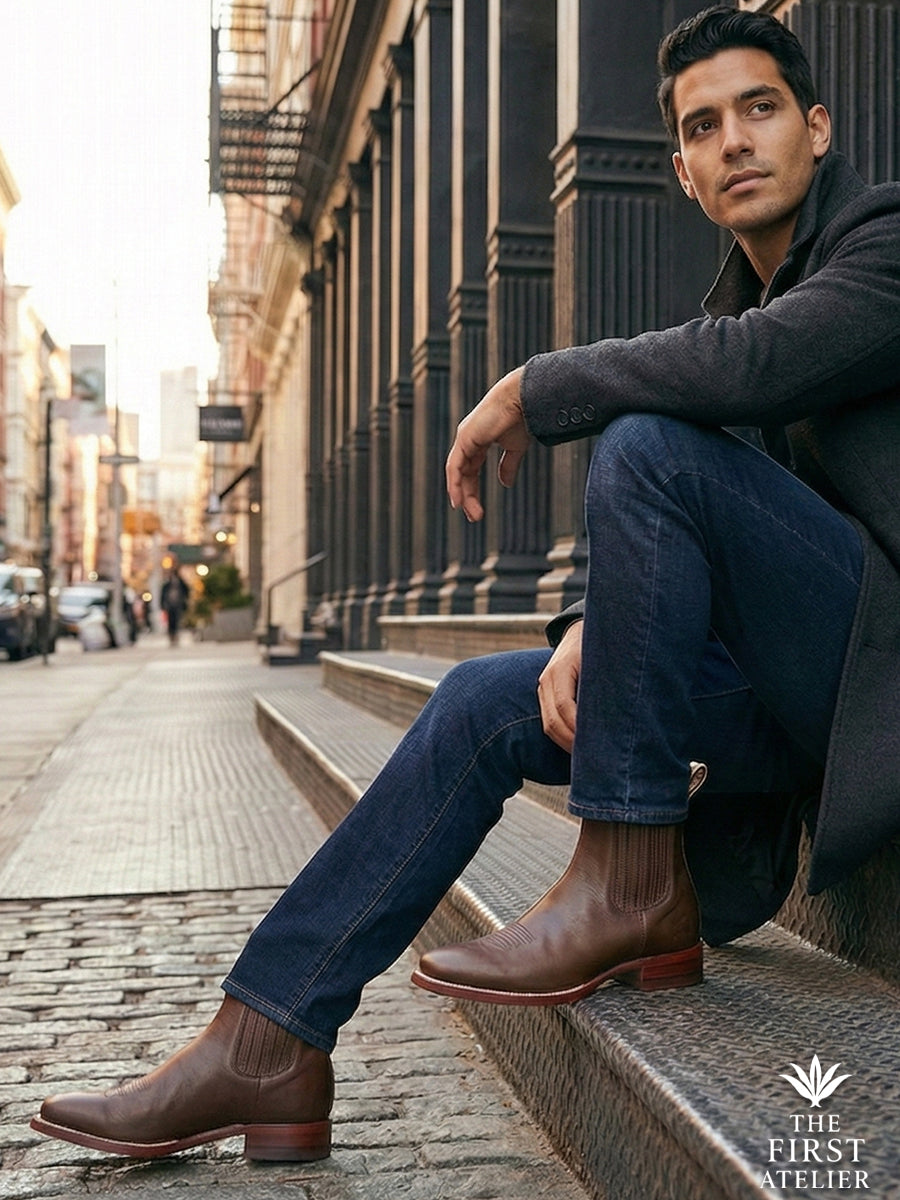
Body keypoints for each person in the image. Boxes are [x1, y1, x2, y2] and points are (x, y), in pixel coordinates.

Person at [31, 5, 900, 1166]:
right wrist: (598, 623)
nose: (736, 140)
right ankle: (268, 1040)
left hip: (872, 676)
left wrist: (539, 385)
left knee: (642, 438)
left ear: (819, 126)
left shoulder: (881, 238)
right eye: (705, 125)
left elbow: (759, 373)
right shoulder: (721, 309)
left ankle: (628, 875)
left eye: (761, 109)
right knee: (485, 701)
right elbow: (720, 472)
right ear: (684, 173)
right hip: (794, 705)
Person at [161, 567, 189, 647]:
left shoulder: (180, 583)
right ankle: (171, 636)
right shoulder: (167, 584)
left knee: (177, 620)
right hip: (169, 605)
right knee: (170, 621)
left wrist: (185, 600)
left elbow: (186, 591)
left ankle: (175, 635)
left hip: (178, 604)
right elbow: (163, 595)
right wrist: (163, 605)